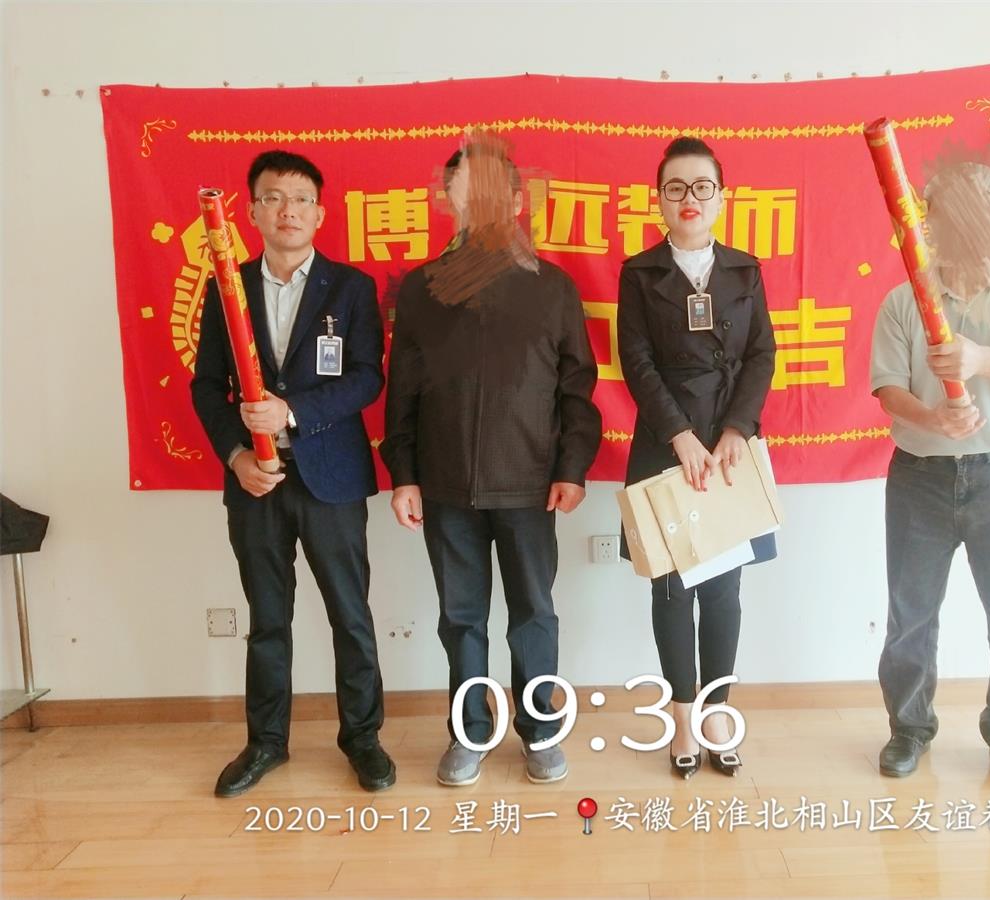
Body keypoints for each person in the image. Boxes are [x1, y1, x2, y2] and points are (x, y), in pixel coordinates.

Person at [380, 137, 601, 787]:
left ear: (516, 200)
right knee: (461, 618)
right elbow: (402, 391)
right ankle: (470, 733)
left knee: (534, 614)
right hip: (446, 485)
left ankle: (539, 730)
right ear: (447, 200)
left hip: (530, 485)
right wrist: (404, 475)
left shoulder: (552, 288)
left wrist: (571, 467)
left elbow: (577, 388)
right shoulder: (422, 290)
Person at [191, 150, 394, 797]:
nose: (288, 210)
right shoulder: (227, 287)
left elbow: (366, 378)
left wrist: (292, 412)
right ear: (252, 212)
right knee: (268, 619)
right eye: (274, 198)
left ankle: (362, 738)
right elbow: (206, 388)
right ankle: (265, 743)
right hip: (256, 482)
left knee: (350, 616)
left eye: (302, 199)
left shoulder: (351, 288)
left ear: (320, 214)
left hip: (332, 477)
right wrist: (236, 457)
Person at [869, 161, 990, 789]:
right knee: (910, 617)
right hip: (919, 477)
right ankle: (908, 728)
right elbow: (888, 389)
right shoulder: (905, 300)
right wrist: (931, 417)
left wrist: (978, 357)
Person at [617, 137, 776, 779]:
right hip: (666, 447)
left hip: (729, 449)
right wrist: (680, 436)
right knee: (672, 587)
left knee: (725, 590)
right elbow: (636, 362)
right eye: (676, 188)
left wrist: (736, 430)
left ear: (721, 197)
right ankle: (682, 718)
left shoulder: (745, 269)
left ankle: (716, 713)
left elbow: (761, 353)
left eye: (702, 187)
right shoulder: (639, 273)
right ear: (659, 200)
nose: (690, 199)